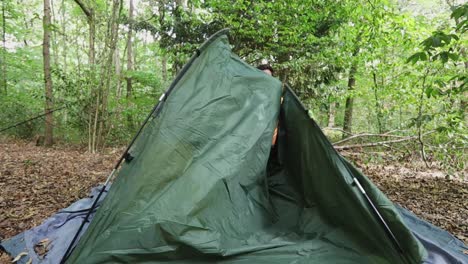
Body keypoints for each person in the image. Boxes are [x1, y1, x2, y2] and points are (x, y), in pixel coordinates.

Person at [257, 64, 279, 146]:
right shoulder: (249, 94)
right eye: (263, 76)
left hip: (267, 144)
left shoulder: (277, 98)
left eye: (269, 77)